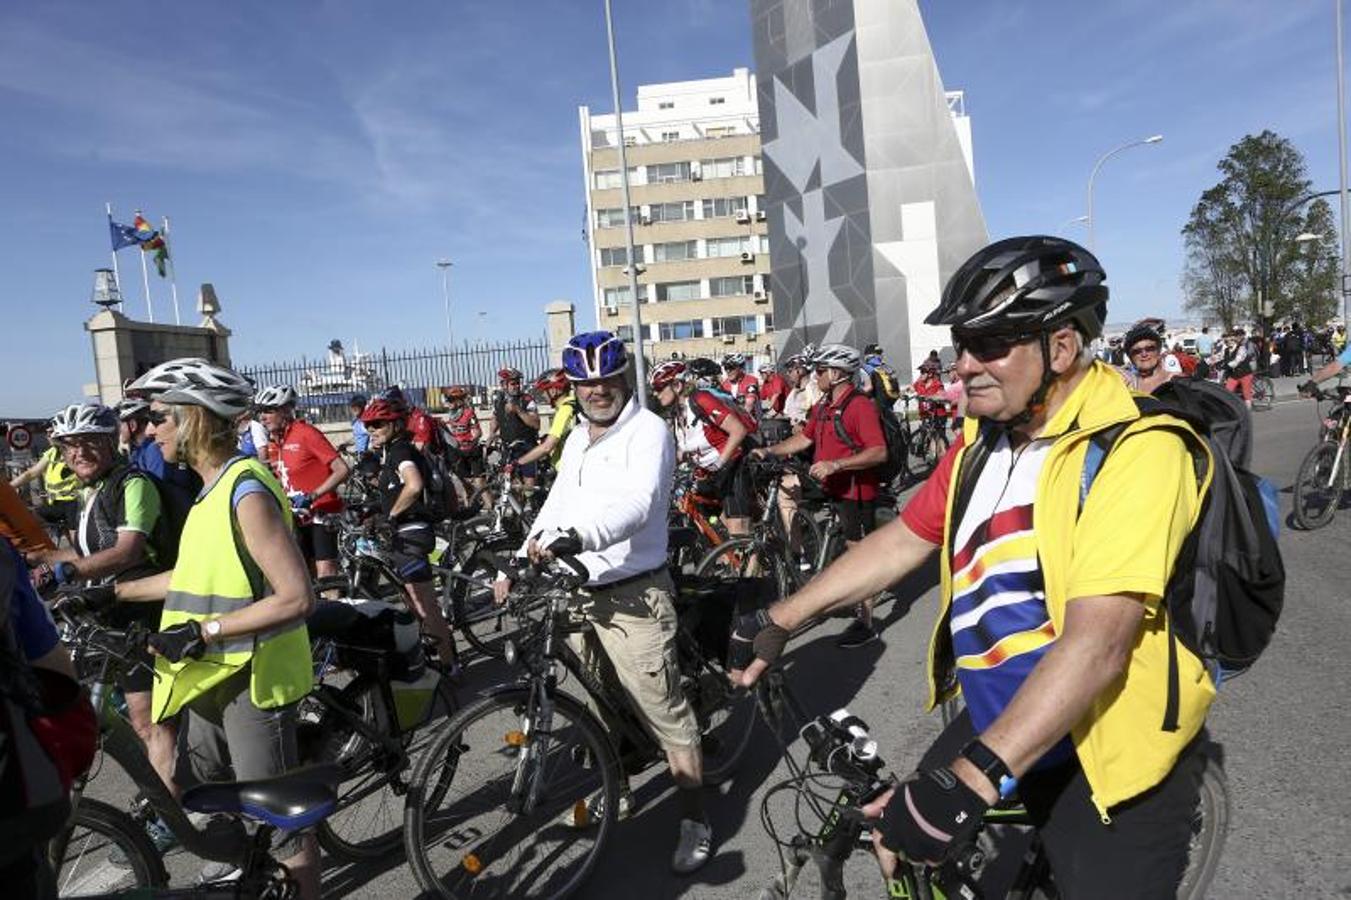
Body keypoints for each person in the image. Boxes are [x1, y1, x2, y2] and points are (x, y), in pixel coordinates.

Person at [738, 236, 1214, 899]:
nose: (961, 365)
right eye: (962, 344)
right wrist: (780, 618)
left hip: (1100, 736)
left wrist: (971, 781)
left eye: (988, 344)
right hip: (1002, 713)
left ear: (1061, 345)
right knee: (899, 849)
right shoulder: (982, 445)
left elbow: (1099, 645)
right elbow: (905, 539)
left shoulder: (1138, 452)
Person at [492, 330, 712, 874]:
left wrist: (583, 537)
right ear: (573, 386)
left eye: (606, 380)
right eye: (585, 383)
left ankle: (695, 818)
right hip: (576, 590)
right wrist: (523, 555)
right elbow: (556, 503)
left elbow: (640, 503)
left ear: (624, 377)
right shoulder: (576, 439)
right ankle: (621, 793)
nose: (597, 391)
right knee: (597, 704)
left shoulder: (649, 431)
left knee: (663, 710)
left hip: (633, 594)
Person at [113, 358, 321, 898]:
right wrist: (111, 592)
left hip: (253, 678)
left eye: (160, 416)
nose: (149, 427)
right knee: (200, 787)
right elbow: (197, 574)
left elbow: (297, 597)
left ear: (195, 419)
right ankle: (240, 869)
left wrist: (203, 631)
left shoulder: (244, 490)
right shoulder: (209, 490)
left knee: (284, 829)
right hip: (210, 674)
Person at [34, 403, 179, 848]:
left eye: (87, 442)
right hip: (110, 609)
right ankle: (164, 779)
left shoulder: (132, 483)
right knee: (119, 709)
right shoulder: (89, 491)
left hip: (145, 608)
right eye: (68, 446)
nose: (77, 453)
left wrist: (70, 574)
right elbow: (80, 556)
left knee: (149, 720)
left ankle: (170, 816)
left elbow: (128, 550)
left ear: (108, 441)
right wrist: (34, 562)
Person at [753, 344, 887, 648]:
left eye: (821, 371)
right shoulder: (825, 405)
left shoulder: (859, 406)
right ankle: (814, 569)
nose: (816, 376)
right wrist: (769, 450)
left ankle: (866, 622)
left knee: (859, 556)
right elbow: (804, 437)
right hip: (830, 485)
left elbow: (879, 451)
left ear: (837, 374)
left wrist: (836, 464)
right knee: (791, 498)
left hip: (854, 489)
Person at [359, 397, 459, 669]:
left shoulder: (401, 451)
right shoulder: (393, 451)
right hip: (404, 533)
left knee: (424, 604)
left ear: (395, 424)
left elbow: (413, 485)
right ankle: (439, 653)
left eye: (378, 424)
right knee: (413, 601)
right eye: (368, 425)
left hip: (411, 533)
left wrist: (390, 516)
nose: (372, 429)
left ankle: (449, 666)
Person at [255, 384, 350, 580]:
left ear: (285, 410)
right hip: (298, 516)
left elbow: (342, 470)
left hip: (322, 512)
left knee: (326, 574)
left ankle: (337, 607)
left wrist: (313, 495)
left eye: (268, 411)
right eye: (260, 412)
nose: (262, 417)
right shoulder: (276, 442)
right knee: (305, 575)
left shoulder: (306, 433)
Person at [651, 358, 754, 537]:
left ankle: (755, 562)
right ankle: (723, 562)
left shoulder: (701, 400)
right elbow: (683, 451)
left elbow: (738, 431)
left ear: (676, 385)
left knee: (738, 529)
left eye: (659, 388)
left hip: (732, 465)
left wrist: (719, 464)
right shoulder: (677, 412)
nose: (654, 393)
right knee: (709, 530)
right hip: (709, 472)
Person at [117, 397, 201, 497]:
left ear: (132, 425)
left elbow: (159, 491)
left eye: (120, 425)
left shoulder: (154, 450)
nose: (118, 431)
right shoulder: (137, 451)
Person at [10, 437, 80, 545]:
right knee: (29, 517)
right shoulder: (52, 452)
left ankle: (84, 557)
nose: (49, 436)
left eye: (51, 432)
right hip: (55, 502)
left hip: (74, 502)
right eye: (47, 433)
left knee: (77, 543)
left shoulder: (75, 451)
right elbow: (31, 473)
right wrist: (9, 487)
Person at [511, 368, 578, 474]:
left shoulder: (565, 410)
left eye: (544, 391)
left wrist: (518, 462)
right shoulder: (571, 405)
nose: (542, 395)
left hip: (570, 472)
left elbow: (547, 447)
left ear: (553, 390)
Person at [486, 368, 541, 486]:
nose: (516, 386)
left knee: (529, 479)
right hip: (508, 447)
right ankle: (516, 503)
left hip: (526, 446)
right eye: (512, 383)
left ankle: (530, 504)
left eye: (518, 383)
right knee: (508, 481)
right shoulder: (499, 401)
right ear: (504, 385)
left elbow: (536, 424)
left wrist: (518, 410)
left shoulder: (526, 400)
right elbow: (495, 418)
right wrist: (491, 435)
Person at [441, 386, 486, 495]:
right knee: (465, 484)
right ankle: (469, 509)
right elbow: (454, 434)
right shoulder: (452, 415)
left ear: (459, 401)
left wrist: (471, 440)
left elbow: (478, 432)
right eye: (448, 401)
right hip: (459, 453)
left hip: (472, 452)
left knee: (480, 484)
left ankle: (491, 507)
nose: (449, 403)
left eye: (451, 400)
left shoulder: (468, 413)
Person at [1119, 323, 1177, 395]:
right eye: (1137, 351)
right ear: (1130, 357)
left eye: (1149, 349)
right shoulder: (1126, 387)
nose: (1144, 354)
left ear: (1159, 350)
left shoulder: (1176, 381)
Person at [1219, 329, 1255, 408]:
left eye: (1231, 340)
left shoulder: (1241, 348)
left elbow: (1237, 361)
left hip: (1244, 374)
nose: (1228, 343)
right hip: (1234, 375)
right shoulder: (1226, 350)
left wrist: (1226, 366)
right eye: (1226, 341)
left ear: (1234, 340)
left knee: (1246, 394)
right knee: (1227, 392)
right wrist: (1206, 363)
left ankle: (1247, 412)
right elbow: (1218, 357)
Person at [720, 353, 762, 419]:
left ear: (740, 367)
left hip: (751, 421)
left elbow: (749, 404)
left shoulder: (751, 381)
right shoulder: (724, 384)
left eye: (731, 367)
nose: (728, 371)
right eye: (726, 368)